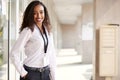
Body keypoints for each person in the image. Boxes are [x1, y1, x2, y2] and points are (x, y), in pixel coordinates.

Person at [10, 0, 56, 80]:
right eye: (35, 13)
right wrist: (23, 73)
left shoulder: (48, 31)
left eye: (41, 12)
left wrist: (53, 76)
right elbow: (13, 53)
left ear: (45, 13)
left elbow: (51, 55)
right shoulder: (28, 30)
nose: (39, 16)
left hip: (46, 73)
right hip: (31, 74)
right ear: (31, 15)